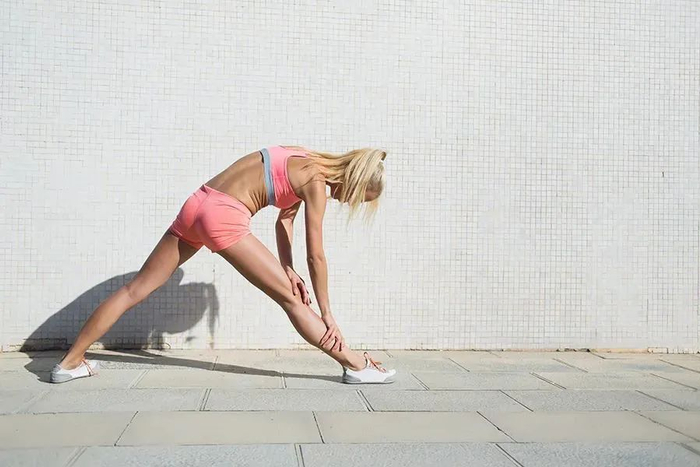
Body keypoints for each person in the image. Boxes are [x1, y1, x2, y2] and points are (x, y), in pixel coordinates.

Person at [51, 145, 396, 384]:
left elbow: (284, 221)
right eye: (356, 197)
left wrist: (287, 268)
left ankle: (70, 362)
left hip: (198, 202)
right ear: (354, 181)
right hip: (224, 216)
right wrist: (328, 313)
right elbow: (316, 255)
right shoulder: (317, 185)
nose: (346, 201)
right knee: (294, 300)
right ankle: (356, 365)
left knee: (134, 289)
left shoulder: (303, 158)